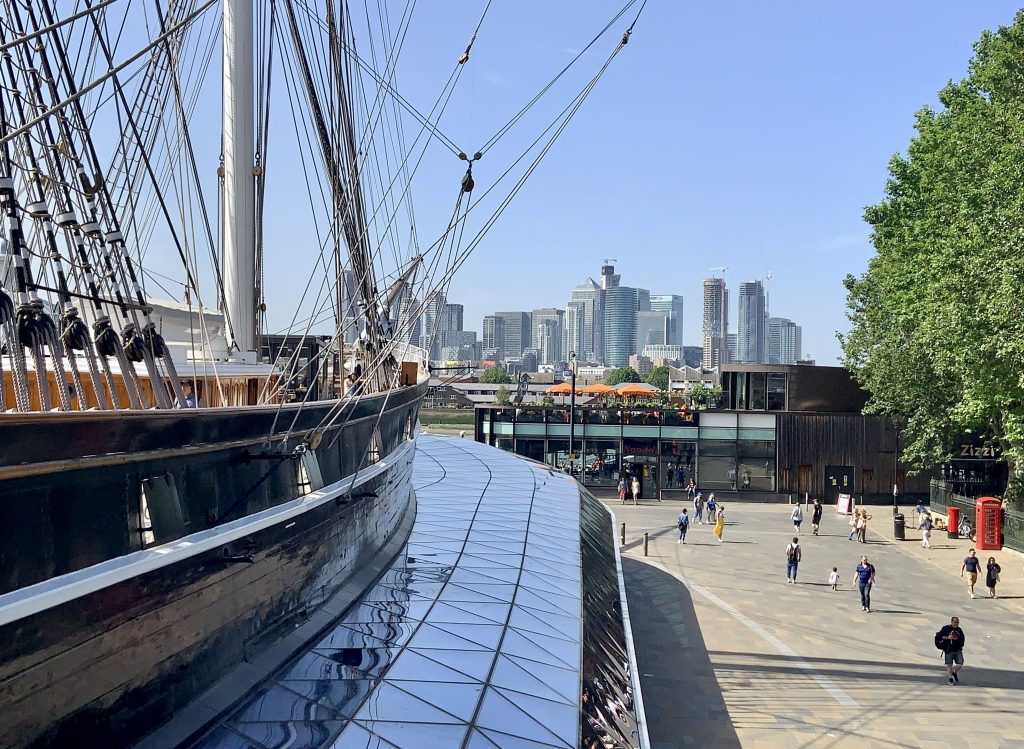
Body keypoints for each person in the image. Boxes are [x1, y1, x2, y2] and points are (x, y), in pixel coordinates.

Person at [935, 616, 965, 685]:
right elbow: (939, 636)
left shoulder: (959, 630)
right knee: (949, 664)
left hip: (957, 649)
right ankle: (950, 678)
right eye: (955, 622)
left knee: (960, 663)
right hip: (948, 649)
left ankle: (954, 673)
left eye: (957, 622)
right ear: (951, 622)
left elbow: (962, 639)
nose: (956, 624)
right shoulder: (946, 628)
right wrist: (947, 637)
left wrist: (957, 639)